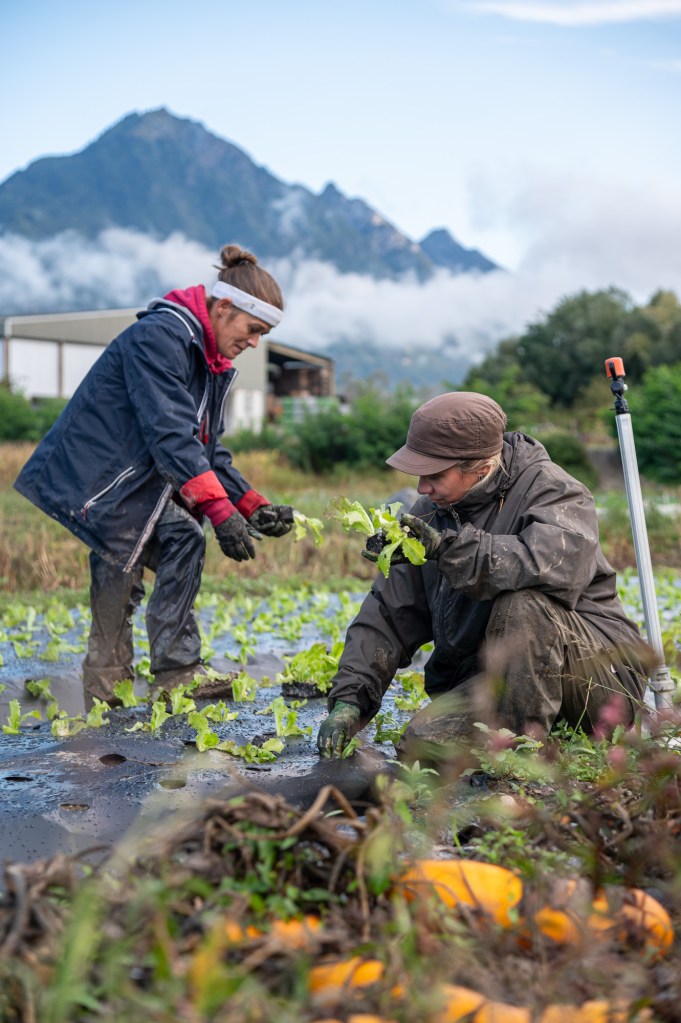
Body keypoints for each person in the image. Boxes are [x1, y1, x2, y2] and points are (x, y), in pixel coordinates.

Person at [15, 245, 294, 705]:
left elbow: (206, 449)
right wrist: (219, 512)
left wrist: (252, 505)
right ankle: (112, 691)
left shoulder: (208, 359)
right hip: (100, 480)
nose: (255, 343)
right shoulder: (162, 338)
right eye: (253, 329)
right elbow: (170, 436)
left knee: (176, 542)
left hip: (135, 482)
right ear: (224, 308)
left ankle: (170, 673)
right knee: (129, 559)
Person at [317, 391, 651, 760]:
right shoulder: (430, 510)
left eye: (435, 475)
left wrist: (447, 549)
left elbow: (546, 567)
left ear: (482, 467)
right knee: (420, 749)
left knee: (524, 600)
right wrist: (350, 700)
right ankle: (532, 735)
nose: (422, 488)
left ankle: (520, 761)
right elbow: (389, 611)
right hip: (499, 685)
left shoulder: (555, 491)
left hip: (597, 682)